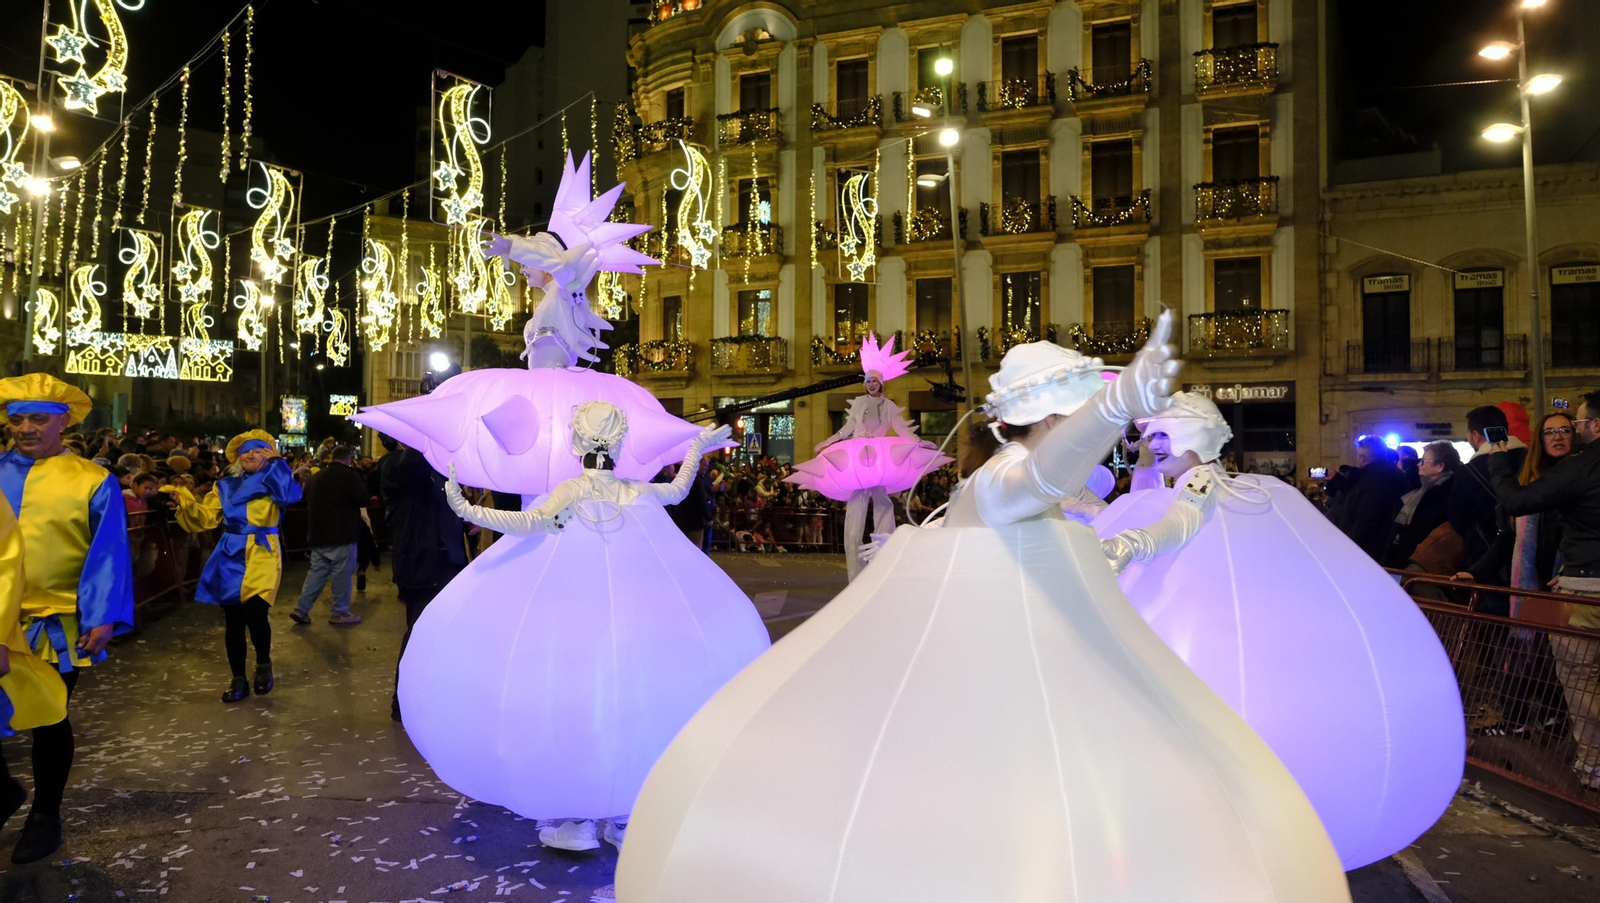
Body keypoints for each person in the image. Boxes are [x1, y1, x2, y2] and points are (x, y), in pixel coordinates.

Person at [618, 314, 1353, 902]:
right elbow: (1040, 476)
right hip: (985, 693)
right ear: (1053, 418)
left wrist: (1151, 523)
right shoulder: (1006, 479)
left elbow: (1083, 517)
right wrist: (1117, 402)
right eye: (1078, 415)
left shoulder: (1053, 494)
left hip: (1029, 684)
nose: (1123, 439)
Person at [1092, 393, 1464, 870]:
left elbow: (1181, 522)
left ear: (1196, 436)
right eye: (1151, 435)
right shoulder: (1217, 487)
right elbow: (1146, 488)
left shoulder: (1204, 480)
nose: (1154, 444)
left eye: (1165, 435)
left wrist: (1129, 545)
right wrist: (1146, 454)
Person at [396, 406, 767, 853]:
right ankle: (626, 810)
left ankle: (576, 817)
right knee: (632, 696)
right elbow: (678, 488)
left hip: (571, 615)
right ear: (620, 444)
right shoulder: (634, 492)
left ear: (575, 443)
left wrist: (466, 507)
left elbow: (528, 523)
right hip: (638, 619)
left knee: (573, 697)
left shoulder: (570, 491)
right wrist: (695, 449)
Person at [0, 373, 134, 863]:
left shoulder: (93, 479)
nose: (26, 428)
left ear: (63, 422)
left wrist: (102, 616)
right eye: (17, 419)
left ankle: (45, 816)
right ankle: (5, 791)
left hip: (55, 625)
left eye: (37, 418)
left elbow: (109, 552)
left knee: (49, 717)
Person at [1479, 391, 1600, 790]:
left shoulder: (1580, 468)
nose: (1572, 434)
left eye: (1577, 425)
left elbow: (1515, 501)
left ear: (1594, 426)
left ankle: (1594, 767)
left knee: (1581, 680)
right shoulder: (1566, 470)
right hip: (1569, 578)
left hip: (1583, 590)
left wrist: (1496, 456)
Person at [1453, 410, 1574, 740]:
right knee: (1524, 651)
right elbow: (1509, 536)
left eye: (1565, 430)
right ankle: (1521, 719)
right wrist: (1476, 572)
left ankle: (1553, 719)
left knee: (1555, 657)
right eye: (1550, 432)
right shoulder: (1532, 483)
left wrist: (1570, 572)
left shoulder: (1580, 479)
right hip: (1532, 582)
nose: (1558, 437)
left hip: (1564, 583)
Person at [163, 430, 303, 703]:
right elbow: (206, 517)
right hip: (230, 551)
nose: (251, 455)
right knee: (234, 619)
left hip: (262, 551)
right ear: (238, 456)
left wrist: (279, 464)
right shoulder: (224, 485)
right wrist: (186, 504)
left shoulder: (276, 479)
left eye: (259, 450)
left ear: (269, 454)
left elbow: (290, 495)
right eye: (246, 451)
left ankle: (263, 663)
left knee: (257, 612)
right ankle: (238, 677)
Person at [805, 333, 923, 581]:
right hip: (858, 459)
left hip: (878, 461)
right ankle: (854, 575)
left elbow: (901, 430)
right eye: (868, 381)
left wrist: (920, 442)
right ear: (865, 383)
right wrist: (828, 441)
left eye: (875, 381)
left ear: (881, 383)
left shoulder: (889, 406)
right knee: (856, 512)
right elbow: (846, 429)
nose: (871, 384)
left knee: (883, 503)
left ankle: (883, 564)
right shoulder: (858, 403)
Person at [380, 434, 468, 723]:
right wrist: (427, 429)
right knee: (418, 632)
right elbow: (414, 463)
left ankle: (434, 694)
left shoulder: (437, 472)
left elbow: (451, 508)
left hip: (448, 563)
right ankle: (403, 701)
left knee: (446, 634)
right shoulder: (395, 466)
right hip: (421, 565)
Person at [1450, 404, 1529, 590]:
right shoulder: (1530, 460)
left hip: (1484, 559)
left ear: (1476, 435)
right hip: (1530, 554)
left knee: (1491, 615)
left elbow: (1457, 519)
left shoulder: (1467, 472)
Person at [289, 445, 368, 627]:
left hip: (318, 534)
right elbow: (363, 498)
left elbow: (305, 497)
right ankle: (339, 612)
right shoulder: (350, 476)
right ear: (348, 459)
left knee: (316, 573)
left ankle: (301, 608)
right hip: (342, 534)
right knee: (342, 575)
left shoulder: (316, 477)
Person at [1330, 435, 1411, 562]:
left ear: (1362, 458)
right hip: (1382, 548)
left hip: (1365, 553)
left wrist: (1345, 548)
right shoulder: (1393, 475)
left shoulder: (1371, 481)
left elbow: (1365, 522)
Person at [1384, 441, 1460, 569]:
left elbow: (1423, 530)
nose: (1419, 464)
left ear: (1439, 466)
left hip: (1424, 564)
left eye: (1423, 461)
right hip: (1408, 559)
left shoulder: (1447, 495)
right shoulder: (1424, 488)